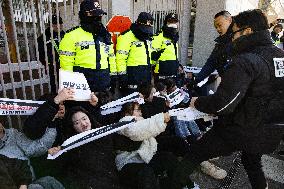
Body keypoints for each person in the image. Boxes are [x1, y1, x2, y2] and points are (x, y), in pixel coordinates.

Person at [171, 9, 284, 189]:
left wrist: (197, 102)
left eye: (235, 32)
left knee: (195, 153)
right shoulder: (279, 55)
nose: (232, 37)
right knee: (252, 160)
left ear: (247, 31)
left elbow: (223, 104)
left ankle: (171, 184)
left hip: (240, 128)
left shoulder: (246, 60)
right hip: (271, 129)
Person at [116, 102, 199, 189]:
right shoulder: (124, 122)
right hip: (129, 162)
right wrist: (161, 119)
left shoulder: (140, 120)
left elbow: (145, 129)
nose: (140, 112)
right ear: (126, 113)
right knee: (146, 173)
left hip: (146, 155)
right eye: (137, 110)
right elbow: (135, 131)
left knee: (168, 157)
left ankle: (187, 185)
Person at [48, 106, 120, 189]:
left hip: (111, 181)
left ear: (89, 118)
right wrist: (52, 153)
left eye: (84, 119)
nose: (83, 124)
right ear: (73, 127)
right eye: (77, 123)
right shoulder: (70, 145)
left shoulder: (104, 134)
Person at [59, 0, 117, 92]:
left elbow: (111, 57)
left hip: (104, 84)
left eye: (99, 14)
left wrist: (113, 77)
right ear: (83, 15)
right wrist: (70, 86)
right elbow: (66, 64)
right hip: (82, 85)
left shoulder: (104, 35)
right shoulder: (71, 35)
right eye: (93, 14)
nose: (97, 17)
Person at [116, 12, 154, 94]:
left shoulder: (148, 37)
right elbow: (120, 59)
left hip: (146, 76)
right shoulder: (126, 36)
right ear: (138, 24)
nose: (146, 31)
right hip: (132, 77)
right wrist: (122, 77)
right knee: (132, 105)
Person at [194, 11, 233, 85]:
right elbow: (211, 63)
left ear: (229, 20)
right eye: (216, 27)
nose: (218, 29)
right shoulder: (221, 42)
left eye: (219, 25)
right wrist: (196, 80)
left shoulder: (237, 39)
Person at [38, 15, 65, 93]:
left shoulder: (66, 35)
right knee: (55, 88)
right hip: (53, 68)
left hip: (66, 66)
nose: (58, 26)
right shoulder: (43, 38)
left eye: (60, 23)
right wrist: (48, 64)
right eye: (55, 24)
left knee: (66, 87)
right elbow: (40, 54)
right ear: (50, 25)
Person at [152, 13, 179, 83]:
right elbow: (152, 57)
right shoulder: (158, 37)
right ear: (165, 23)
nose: (173, 24)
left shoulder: (174, 37)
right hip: (160, 73)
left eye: (175, 22)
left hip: (173, 73)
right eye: (170, 22)